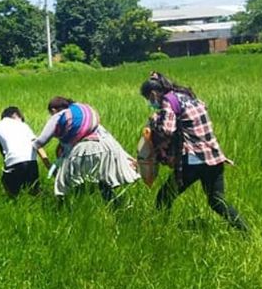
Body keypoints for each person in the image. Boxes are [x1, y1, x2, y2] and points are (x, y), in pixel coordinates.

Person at [140, 72, 248, 230]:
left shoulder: (167, 101)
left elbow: (166, 130)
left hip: (194, 159)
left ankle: (159, 232)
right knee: (217, 201)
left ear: (154, 94)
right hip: (214, 156)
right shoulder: (186, 96)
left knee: (164, 197)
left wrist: (153, 121)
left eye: (149, 100)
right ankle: (246, 232)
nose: (151, 103)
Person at [34, 97, 140, 204]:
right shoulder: (87, 117)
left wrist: (31, 143)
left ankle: (66, 208)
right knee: (101, 182)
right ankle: (115, 204)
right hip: (107, 148)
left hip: (85, 150)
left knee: (67, 183)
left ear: (53, 110)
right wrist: (127, 158)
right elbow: (108, 136)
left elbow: (41, 141)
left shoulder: (58, 116)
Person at [0, 106, 48, 197]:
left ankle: (14, 206)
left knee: (11, 192)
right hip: (31, 162)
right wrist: (48, 165)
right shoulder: (24, 125)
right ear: (15, 115)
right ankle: (46, 204)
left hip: (14, 162)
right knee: (34, 190)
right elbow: (37, 145)